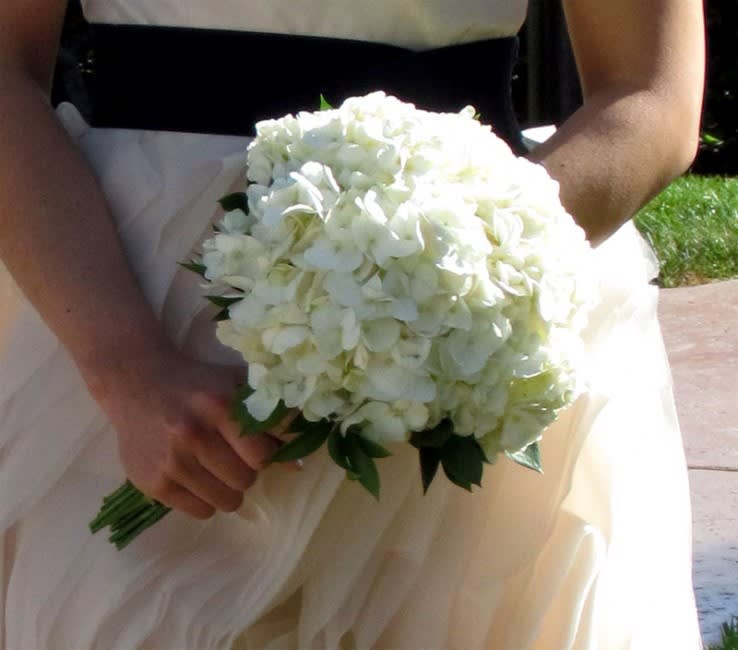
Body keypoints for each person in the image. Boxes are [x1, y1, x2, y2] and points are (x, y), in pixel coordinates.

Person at [0, 1, 705, 648]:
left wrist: (433, 293)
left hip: (464, 330)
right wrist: (126, 366)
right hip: (124, 295)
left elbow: (652, 94)